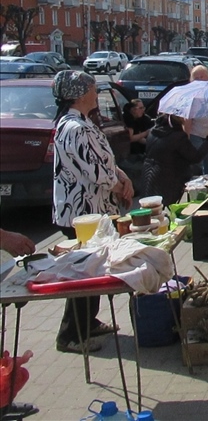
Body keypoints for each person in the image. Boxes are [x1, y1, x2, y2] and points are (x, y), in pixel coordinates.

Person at [51, 70, 133, 353]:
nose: (96, 93)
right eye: (92, 89)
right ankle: (70, 335)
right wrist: (119, 186)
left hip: (96, 210)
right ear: (80, 94)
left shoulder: (84, 123)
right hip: (81, 212)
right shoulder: (74, 127)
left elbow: (104, 160)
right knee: (84, 274)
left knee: (94, 267)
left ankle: (89, 321)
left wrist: (122, 177)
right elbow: (95, 171)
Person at [141, 114, 208, 207]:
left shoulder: (152, 132)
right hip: (169, 180)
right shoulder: (178, 136)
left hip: (148, 176)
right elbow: (196, 157)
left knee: (154, 208)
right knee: (196, 171)